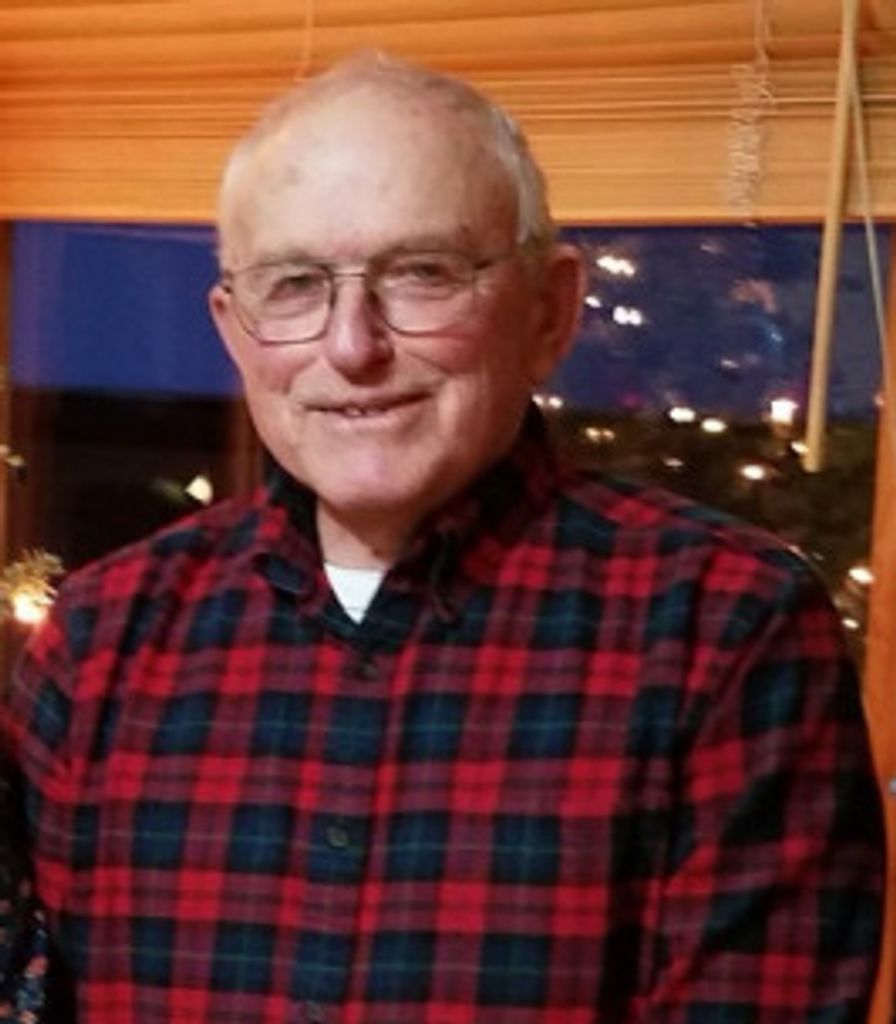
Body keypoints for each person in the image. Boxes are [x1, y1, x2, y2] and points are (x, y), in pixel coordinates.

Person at [0, 51, 885, 1023]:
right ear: (234, 327)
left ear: (548, 310)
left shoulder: (726, 631)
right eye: (293, 284)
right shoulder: (100, 640)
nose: (352, 346)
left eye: (421, 273)